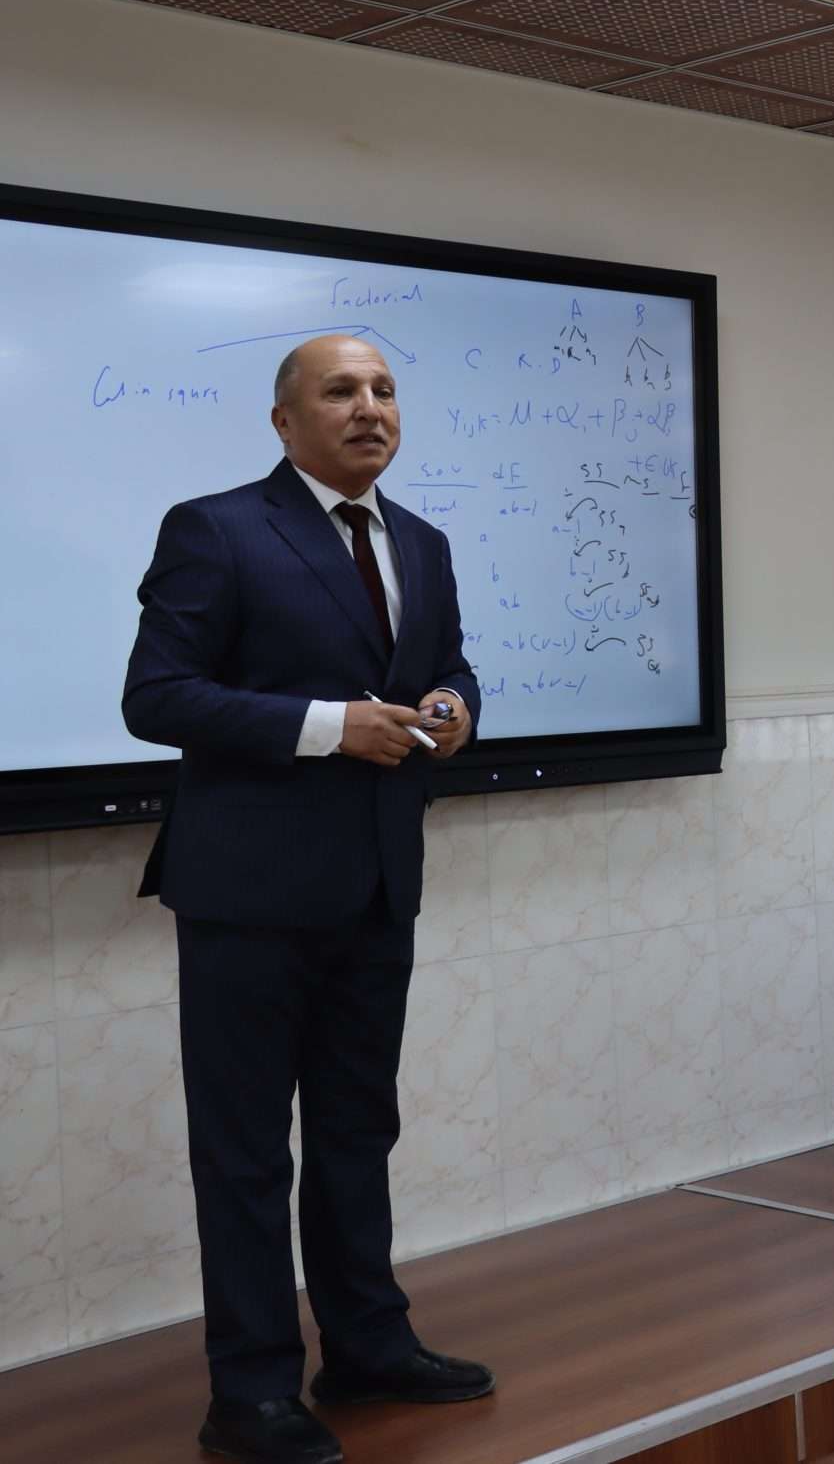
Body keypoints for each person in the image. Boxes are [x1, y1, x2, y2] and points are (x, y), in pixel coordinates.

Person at [123, 334, 491, 1464]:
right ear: (285, 421)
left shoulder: (421, 541)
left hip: (376, 883)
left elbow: (449, 665)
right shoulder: (218, 528)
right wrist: (332, 727)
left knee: (355, 1131)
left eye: (385, 390)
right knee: (245, 1153)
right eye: (340, 391)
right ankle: (250, 1394)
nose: (370, 407)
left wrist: (454, 706)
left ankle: (368, 1345)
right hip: (247, 896)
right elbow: (157, 696)